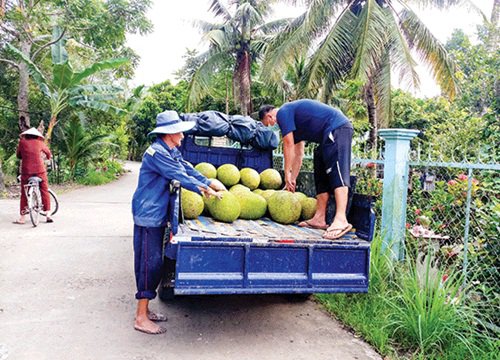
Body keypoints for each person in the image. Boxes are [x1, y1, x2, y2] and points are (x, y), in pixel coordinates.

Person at [131, 110, 224, 335]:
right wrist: (205, 189)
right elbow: (179, 175)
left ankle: (146, 309)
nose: (183, 136)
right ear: (169, 133)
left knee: (155, 264)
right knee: (148, 264)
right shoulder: (156, 153)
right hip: (148, 215)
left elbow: (186, 168)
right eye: (180, 132)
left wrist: (208, 180)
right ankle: (140, 317)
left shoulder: (169, 150)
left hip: (157, 213)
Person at [259, 99, 354, 240]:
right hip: (325, 137)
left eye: (269, 123)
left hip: (337, 128)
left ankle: (341, 219)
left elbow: (288, 144)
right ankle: (319, 218)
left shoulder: (283, 112)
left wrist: (286, 173)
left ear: (269, 116)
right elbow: (298, 153)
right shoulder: (292, 121)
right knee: (320, 172)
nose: (274, 125)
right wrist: (292, 179)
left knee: (337, 172)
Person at [14, 127, 53, 224]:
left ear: (26, 135)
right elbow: (48, 153)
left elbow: (18, 155)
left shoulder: (22, 142)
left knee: (24, 193)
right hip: (40, 171)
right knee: (44, 190)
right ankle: (48, 214)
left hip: (26, 172)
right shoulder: (40, 142)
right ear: (37, 136)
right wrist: (47, 158)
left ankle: (22, 218)